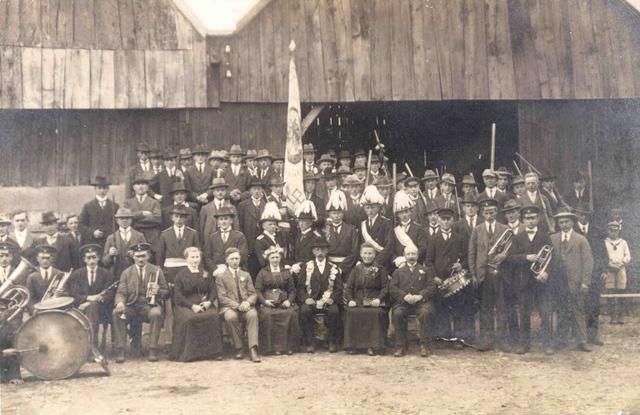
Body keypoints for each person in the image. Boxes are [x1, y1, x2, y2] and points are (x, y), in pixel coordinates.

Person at [504, 206, 555, 354]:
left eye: (533, 218)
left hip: (541, 282)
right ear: (523, 220)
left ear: (538, 219)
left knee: (545, 313)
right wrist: (526, 257)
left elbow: (552, 257)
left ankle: (547, 344)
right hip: (524, 281)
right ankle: (524, 344)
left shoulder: (545, 236)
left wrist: (546, 272)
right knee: (524, 314)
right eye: (527, 218)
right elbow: (510, 258)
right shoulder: (518, 237)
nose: (530, 221)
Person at [113, 243, 169, 363]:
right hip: (131, 306)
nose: (141, 259)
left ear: (148, 256)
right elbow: (121, 292)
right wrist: (120, 303)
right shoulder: (126, 273)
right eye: (138, 256)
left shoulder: (156, 271)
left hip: (149, 306)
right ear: (133, 256)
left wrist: (158, 291)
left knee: (156, 314)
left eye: (143, 256)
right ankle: (120, 349)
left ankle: (153, 349)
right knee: (116, 313)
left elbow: (166, 292)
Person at [426, 207, 474, 344]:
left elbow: (467, 257)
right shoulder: (433, 239)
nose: (446, 222)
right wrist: (434, 276)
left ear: (453, 220)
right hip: (440, 280)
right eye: (443, 219)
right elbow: (428, 261)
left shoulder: (460, 238)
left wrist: (462, 265)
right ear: (438, 220)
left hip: (456, 280)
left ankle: (458, 338)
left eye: (448, 219)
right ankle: (444, 336)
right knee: (441, 309)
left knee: (458, 308)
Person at [468, 198, 509, 351]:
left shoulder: (504, 228)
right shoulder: (477, 230)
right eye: (486, 212)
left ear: (496, 213)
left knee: (501, 307)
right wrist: (473, 273)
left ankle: (502, 340)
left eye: (492, 212)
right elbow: (472, 253)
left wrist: (504, 256)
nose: (489, 215)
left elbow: (510, 249)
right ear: (482, 213)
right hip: (483, 275)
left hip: (500, 274)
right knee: (485, 308)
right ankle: (487, 339)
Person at [550, 208, 593, 352]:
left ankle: (582, 341)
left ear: (573, 222)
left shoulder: (581, 239)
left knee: (578, 310)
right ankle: (561, 340)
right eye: (561, 222)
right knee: (561, 310)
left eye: (566, 221)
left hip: (576, 281)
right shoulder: (553, 238)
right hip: (558, 282)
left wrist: (585, 282)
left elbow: (588, 262)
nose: (563, 224)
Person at [170, 247, 223, 362]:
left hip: (204, 303)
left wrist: (209, 302)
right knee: (191, 319)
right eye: (192, 257)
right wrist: (192, 306)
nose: (195, 260)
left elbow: (213, 290)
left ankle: (213, 352)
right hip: (185, 304)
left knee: (214, 316)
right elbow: (178, 295)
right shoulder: (181, 275)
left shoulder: (205, 273)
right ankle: (190, 354)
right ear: (186, 259)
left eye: (197, 257)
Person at [389, 245, 437, 357]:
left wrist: (420, 296)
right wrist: (404, 296)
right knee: (398, 313)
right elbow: (392, 288)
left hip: (421, 302)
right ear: (404, 256)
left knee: (425, 313)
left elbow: (431, 287)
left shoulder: (426, 270)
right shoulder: (398, 272)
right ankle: (401, 345)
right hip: (404, 303)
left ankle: (424, 345)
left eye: (413, 254)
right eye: (408, 254)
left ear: (417, 255)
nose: (411, 256)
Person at [65, 244, 116, 349]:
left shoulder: (106, 274)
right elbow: (73, 294)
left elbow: (110, 294)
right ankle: (87, 346)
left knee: (92, 307)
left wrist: (98, 299)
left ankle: (92, 347)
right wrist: (88, 298)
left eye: (94, 257)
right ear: (84, 259)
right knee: (91, 307)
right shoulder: (76, 274)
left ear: (98, 258)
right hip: (80, 308)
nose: (92, 261)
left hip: (103, 308)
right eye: (89, 258)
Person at [297, 238, 343, 353]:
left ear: (327, 251)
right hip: (311, 300)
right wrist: (306, 299)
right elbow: (300, 287)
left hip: (328, 301)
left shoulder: (333, 267)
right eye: (317, 250)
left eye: (323, 250)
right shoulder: (306, 267)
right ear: (313, 252)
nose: (320, 253)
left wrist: (332, 298)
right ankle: (310, 342)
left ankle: (332, 341)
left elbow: (339, 288)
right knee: (304, 311)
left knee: (334, 311)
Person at [216, 248, 261, 362]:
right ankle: (239, 347)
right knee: (231, 317)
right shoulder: (221, 276)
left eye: (237, 258)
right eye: (232, 259)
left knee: (252, 315)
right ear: (226, 260)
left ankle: (253, 349)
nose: (235, 261)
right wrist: (237, 305)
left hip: (246, 305)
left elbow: (253, 293)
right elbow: (222, 297)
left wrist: (247, 302)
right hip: (230, 307)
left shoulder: (245, 274)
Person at [344, 243, 389, 355]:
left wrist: (379, 299)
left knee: (376, 313)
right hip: (358, 301)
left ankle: (372, 346)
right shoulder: (356, 269)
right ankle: (354, 346)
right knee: (352, 312)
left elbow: (385, 287)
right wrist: (350, 300)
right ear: (361, 254)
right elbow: (348, 287)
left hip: (374, 301)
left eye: (370, 253)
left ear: (374, 255)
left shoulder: (380, 269)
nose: (367, 256)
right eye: (365, 253)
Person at [255, 246, 299, 355]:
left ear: (280, 258)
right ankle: (272, 348)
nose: (275, 260)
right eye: (272, 257)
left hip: (283, 303)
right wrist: (264, 302)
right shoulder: (263, 272)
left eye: (277, 257)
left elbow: (292, 290)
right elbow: (257, 290)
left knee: (291, 314)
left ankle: (288, 347)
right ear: (268, 259)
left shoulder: (286, 272)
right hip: (269, 303)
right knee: (267, 315)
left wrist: (289, 300)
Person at [0, 242, 23, 384]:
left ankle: (13, 374)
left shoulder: (18, 272)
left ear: (11, 257)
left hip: (11, 315)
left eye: (6, 256)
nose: (3, 259)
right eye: (0, 256)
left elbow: (22, 293)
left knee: (11, 341)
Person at [102, 208, 147, 278]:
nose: (124, 220)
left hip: (136, 274)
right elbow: (105, 262)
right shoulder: (111, 238)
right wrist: (110, 255)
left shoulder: (139, 236)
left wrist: (136, 256)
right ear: (117, 220)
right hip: (117, 275)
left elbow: (148, 256)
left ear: (131, 220)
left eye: (127, 218)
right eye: (121, 218)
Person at [601, 221, 631, 325]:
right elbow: (603, 256)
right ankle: (612, 316)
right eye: (611, 231)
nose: (613, 233)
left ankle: (621, 316)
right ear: (607, 231)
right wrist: (610, 265)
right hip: (609, 269)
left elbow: (628, 256)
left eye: (615, 231)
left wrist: (621, 264)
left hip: (621, 269)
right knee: (611, 293)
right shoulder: (605, 242)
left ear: (619, 231)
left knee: (621, 292)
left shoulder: (623, 242)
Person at [204, 206, 249, 272]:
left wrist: (228, 266)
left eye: (226, 219)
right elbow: (207, 256)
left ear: (231, 221)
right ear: (218, 222)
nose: (223, 222)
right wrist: (215, 268)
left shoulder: (239, 236)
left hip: (234, 269)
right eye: (221, 219)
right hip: (216, 270)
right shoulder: (212, 237)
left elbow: (243, 256)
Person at [78, 176, 119, 247]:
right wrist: (93, 232)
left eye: (104, 188)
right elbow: (81, 225)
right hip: (93, 242)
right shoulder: (88, 206)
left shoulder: (114, 206)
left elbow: (117, 224)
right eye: (99, 188)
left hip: (109, 242)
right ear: (95, 189)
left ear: (108, 189)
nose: (102, 191)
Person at [324, 191, 358, 277]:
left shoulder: (351, 229)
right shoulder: (325, 230)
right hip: (328, 267)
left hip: (347, 267)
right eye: (333, 213)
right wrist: (330, 267)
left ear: (343, 213)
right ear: (329, 214)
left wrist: (342, 268)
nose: (336, 216)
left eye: (339, 213)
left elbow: (354, 251)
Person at [359, 185, 394, 269]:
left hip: (382, 262)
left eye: (373, 207)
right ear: (364, 208)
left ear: (378, 207)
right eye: (367, 208)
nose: (370, 211)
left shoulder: (386, 223)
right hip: (366, 262)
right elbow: (360, 244)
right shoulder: (363, 224)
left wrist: (376, 263)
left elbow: (389, 246)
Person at [237, 177, 266, 275]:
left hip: (263, 243)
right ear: (250, 191)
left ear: (262, 190)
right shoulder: (243, 205)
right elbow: (240, 225)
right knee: (251, 268)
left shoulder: (267, 204)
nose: (257, 191)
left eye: (259, 188)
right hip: (249, 242)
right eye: (254, 189)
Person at [123, 175, 162, 246]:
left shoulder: (154, 202)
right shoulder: (128, 203)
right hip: (133, 236)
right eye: (138, 184)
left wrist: (135, 219)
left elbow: (157, 219)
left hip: (151, 237)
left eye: (143, 184)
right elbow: (126, 218)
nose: (140, 187)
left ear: (147, 187)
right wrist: (142, 213)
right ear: (134, 187)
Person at [391, 190, 428, 267]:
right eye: (401, 213)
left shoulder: (419, 228)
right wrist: (398, 261)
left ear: (411, 212)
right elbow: (392, 250)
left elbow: (423, 248)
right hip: (400, 265)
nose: (404, 215)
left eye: (406, 211)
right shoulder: (394, 231)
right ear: (397, 215)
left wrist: (409, 259)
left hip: (416, 264)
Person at [25, 245, 62, 310]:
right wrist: (33, 311)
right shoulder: (32, 276)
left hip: (56, 309)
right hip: (37, 311)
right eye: (42, 258)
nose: (45, 261)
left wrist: (60, 293)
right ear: (37, 259)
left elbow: (65, 294)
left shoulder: (60, 274)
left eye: (47, 258)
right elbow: (29, 298)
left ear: (52, 258)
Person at [254, 202, 288, 271]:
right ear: (263, 226)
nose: (273, 226)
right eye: (270, 224)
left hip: (281, 268)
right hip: (268, 270)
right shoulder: (260, 240)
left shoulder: (279, 237)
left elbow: (285, 253)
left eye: (274, 224)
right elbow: (262, 261)